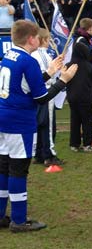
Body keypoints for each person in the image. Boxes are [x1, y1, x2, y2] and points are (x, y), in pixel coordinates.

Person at [0, 20, 77, 232]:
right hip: (19, 122)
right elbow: (41, 97)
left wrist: (50, 72)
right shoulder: (28, 60)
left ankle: (1, 215)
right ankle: (18, 219)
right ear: (31, 39)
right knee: (18, 170)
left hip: (4, 117)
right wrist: (64, 80)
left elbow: (26, 86)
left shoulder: (9, 55)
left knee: (4, 167)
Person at [31, 29, 62, 166]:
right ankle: (49, 154)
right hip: (46, 91)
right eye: (49, 39)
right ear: (44, 40)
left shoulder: (33, 54)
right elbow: (48, 74)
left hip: (38, 92)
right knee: (48, 124)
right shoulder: (42, 54)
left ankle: (38, 153)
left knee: (40, 123)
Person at [67, 40, 92, 152]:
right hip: (85, 98)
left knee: (74, 120)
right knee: (87, 121)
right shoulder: (88, 66)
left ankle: (74, 144)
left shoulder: (68, 65)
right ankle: (88, 144)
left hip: (72, 97)